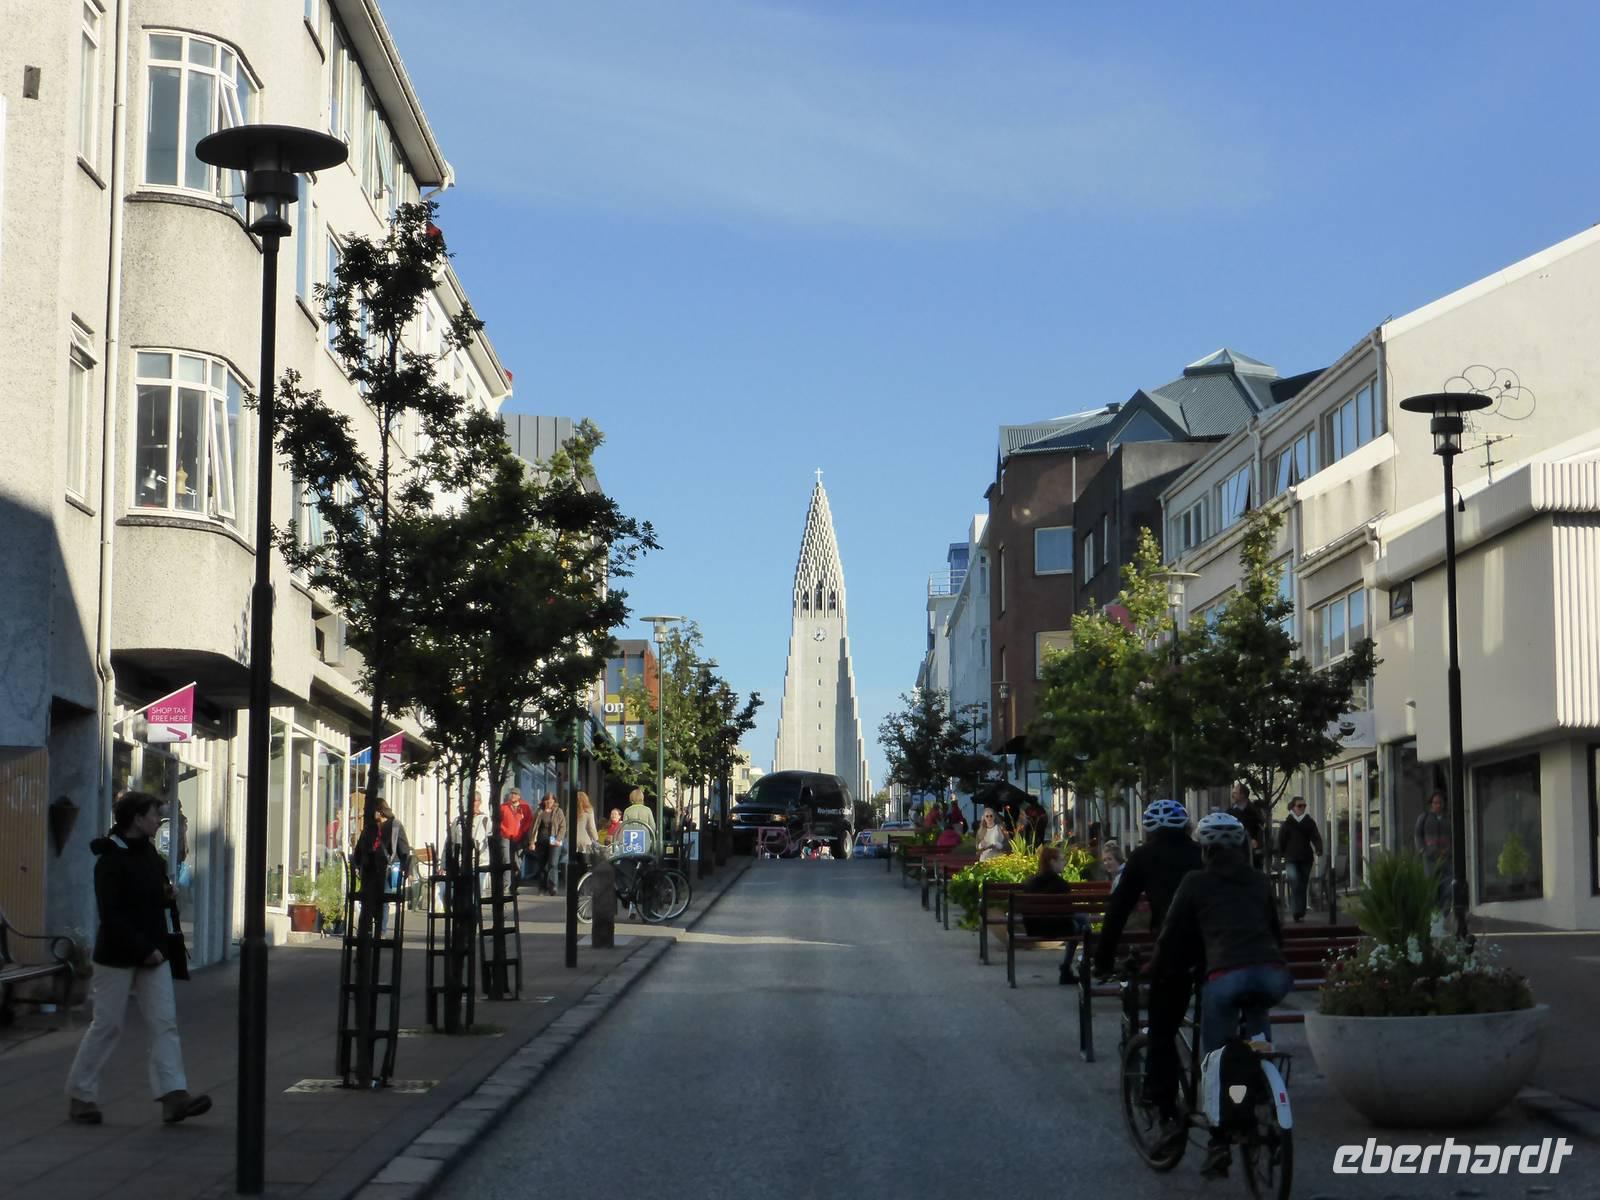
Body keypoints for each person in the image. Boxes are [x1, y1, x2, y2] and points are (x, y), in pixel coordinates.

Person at [1151, 812, 1290, 1179]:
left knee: (1214, 1054)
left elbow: (1171, 935)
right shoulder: (1260, 881)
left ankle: (1218, 1139)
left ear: (1205, 849)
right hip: (1272, 974)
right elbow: (1276, 931)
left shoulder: (1196, 882)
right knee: (1257, 1027)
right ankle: (1262, 1090)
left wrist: (1158, 970)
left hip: (1227, 975)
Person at [66, 791, 211, 1126]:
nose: (158, 820)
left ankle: (174, 1096)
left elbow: (153, 895)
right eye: (153, 814)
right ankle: (81, 1095)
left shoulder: (151, 856)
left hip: (155, 954)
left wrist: (165, 895)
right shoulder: (110, 861)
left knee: (165, 1023)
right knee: (107, 1025)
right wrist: (144, 949)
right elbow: (112, 914)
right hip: (118, 956)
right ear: (136, 818)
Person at [1021, 843, 1090, 985]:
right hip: (1057, 928)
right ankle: (1069, 967)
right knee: (1083, 923)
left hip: (1033, 928)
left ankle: (1068, 969)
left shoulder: (1030, 883)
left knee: (1081, 919)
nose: (1064, 863)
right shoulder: (1061, 884)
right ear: (1052, 862)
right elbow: (1067, 912)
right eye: (1062, 860)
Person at [1276, 796, 1323, 922]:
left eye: (1304, 806)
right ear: (1293, 807)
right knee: (1295, 882)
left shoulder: (1309, 822)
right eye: (1299, 806)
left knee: (1302, 884)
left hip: (1306, 858)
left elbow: (1315, 836)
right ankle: (1296, 910)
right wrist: (1280, 855)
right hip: (1291, 858)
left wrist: (1319, 848)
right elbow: (1281, 840)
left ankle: (1300, 911)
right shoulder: (1287, 823)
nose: (1302, 808)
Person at [1414, 789, 1452, 905]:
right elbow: (1418, 835)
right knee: (1431, 885)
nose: (1438, 805)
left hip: (1446, 857)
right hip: (1430, 857)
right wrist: (1422, 850)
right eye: (1435, 803)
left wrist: (1449, 850)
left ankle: (1445, 908)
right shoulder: (1424, 817)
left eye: (1440, 803)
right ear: (1431, 804)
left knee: (1447, 884)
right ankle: (1433, 910)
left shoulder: (1448, 819)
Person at [529, 793, 567, 896]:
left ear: (554, 801)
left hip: (555, 840)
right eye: (547, 800)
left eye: (551, 801)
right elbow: (533, 827)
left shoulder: (558, 811)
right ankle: (542, 887)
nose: (549, 803)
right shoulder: (539, 811)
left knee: (553, 864)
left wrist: (559, 839)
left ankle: (553, 886)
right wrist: (532, 842)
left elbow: (563, 826)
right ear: (543, 801)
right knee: (542, 865)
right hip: (542, 840)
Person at [1227, 783, 1265, 869]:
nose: (1232, 795)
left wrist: (1256, 841)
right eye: (1232, 793)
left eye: (1235, 793)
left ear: (1243, 795)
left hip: (1253, 854)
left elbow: (1261, 830)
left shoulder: (1255, 811)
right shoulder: (1230, 812)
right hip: (1235, 854)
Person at [498, 789, 532, 883]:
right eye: (512, 793)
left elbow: (529, 821)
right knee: (507, 860)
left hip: (520, 838)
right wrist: (504, 829)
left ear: (519, 796)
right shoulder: (504, 807)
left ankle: (515, 883)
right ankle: (507, 885)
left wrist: (523, 830)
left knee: (517, 861)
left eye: (515, 794)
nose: (513, 795)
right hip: (506, 836)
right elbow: (498, 820)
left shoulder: (525, 807)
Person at [573, 791, 600, 871]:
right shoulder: (588, 810)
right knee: (584, 865)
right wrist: (596, 838)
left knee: (574, 864)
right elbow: (591, 827)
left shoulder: (570, 809)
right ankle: (582, 881)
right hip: (585, 841)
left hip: (572, 840)